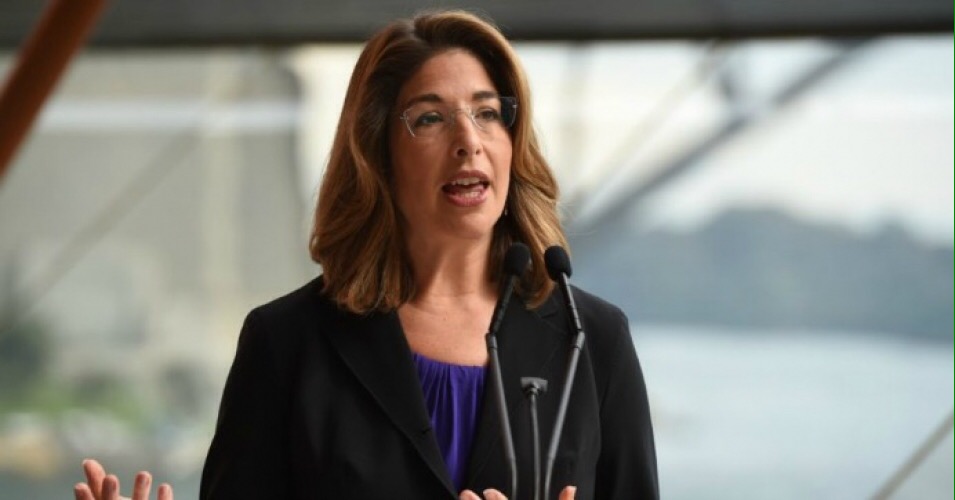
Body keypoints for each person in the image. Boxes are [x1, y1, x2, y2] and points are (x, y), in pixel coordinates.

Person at [74, 9, 658, 500]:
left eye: (487, 113)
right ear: (378, 155)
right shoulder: (286, 343)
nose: (468, 141)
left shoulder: (593, 341)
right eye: (430, 118)